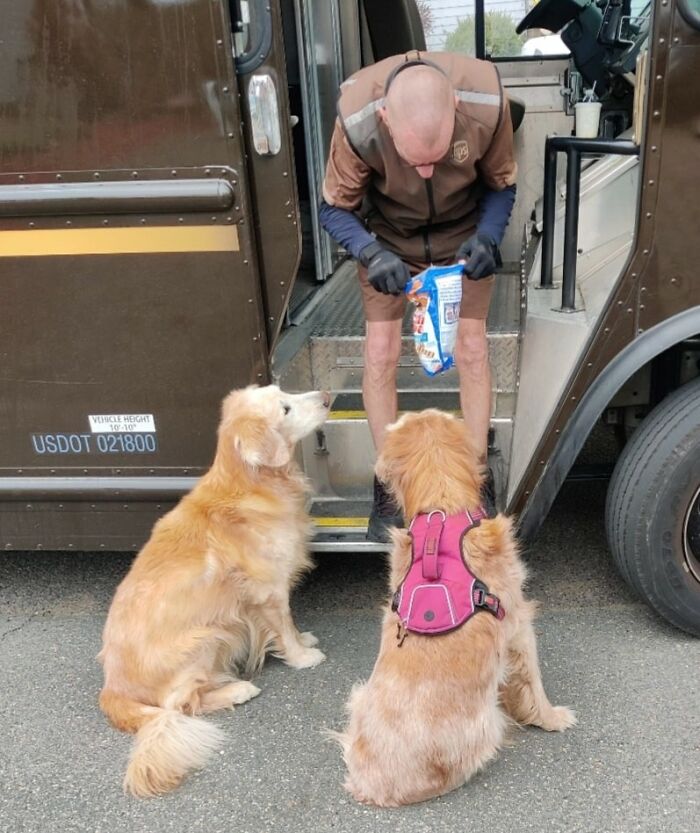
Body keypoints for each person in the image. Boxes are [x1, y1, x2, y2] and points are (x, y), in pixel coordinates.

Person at [319, 50, 518, 542]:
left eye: (436, 159)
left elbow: (502, 186)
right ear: (386, 119)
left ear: (455, 105)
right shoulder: (358, 117)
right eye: (415, 161)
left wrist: (490, 236)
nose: (427, 173)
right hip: (388, 239)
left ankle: (474, 473)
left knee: (471, 347)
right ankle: (389, 480)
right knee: (380, 352)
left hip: (463, 235)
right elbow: (333, 208)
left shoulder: (487, 102)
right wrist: (368, 252)